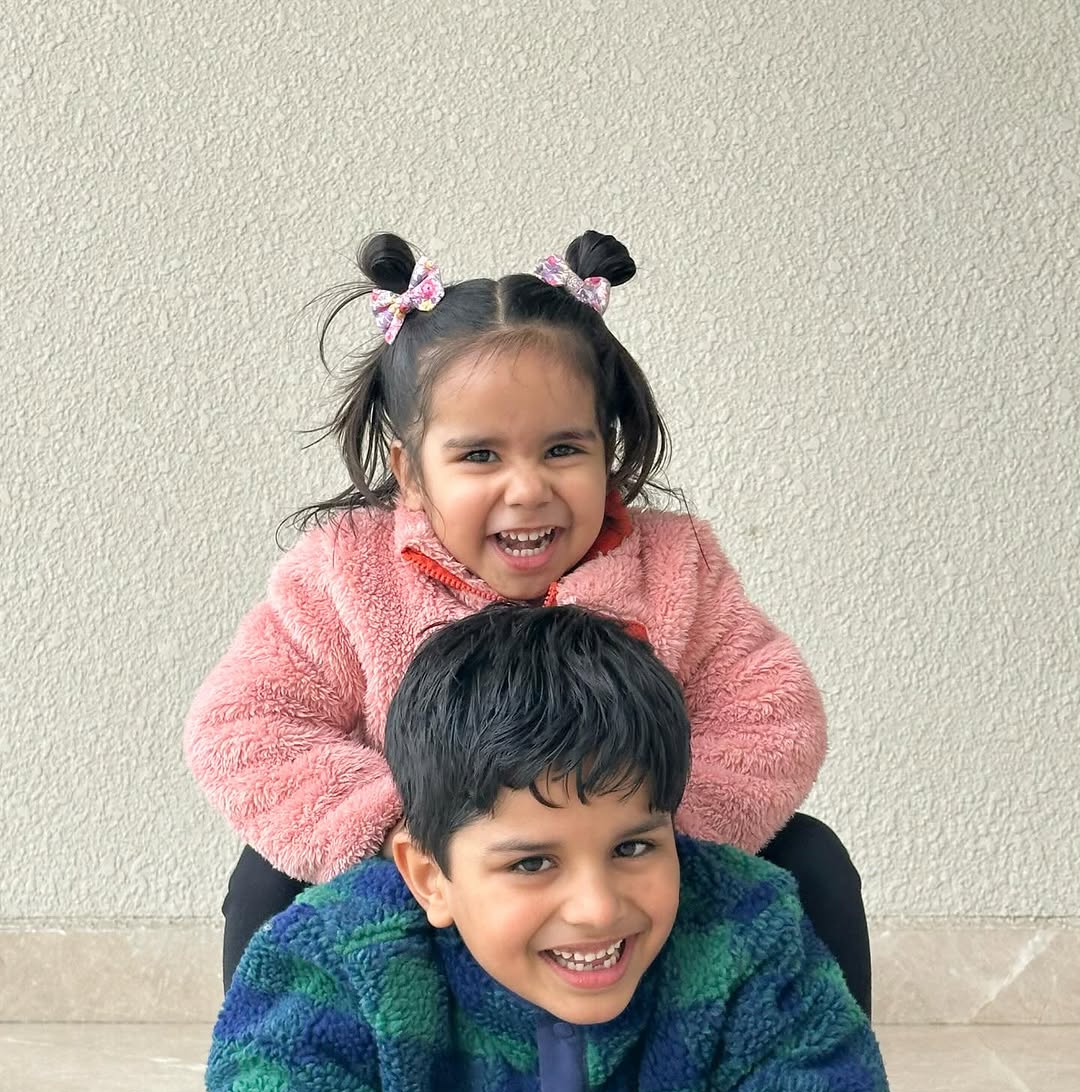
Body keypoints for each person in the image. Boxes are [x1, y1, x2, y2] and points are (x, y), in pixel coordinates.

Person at [175, 605, 932, 1092]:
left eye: (634, 846)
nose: (598, 908)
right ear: (429, 876)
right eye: (533, 862)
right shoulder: (329, 958)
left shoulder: (748, 933)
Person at [183, 230, 871, 1011]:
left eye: (562, 449)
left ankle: (822, 1076)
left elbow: (770, 712)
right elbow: (245, 726)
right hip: (427, 898)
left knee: (812, 859)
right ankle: (275, 1076)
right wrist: (422, 838)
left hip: (613, 904)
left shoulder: (675, 567)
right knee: (264, 879)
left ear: (608, 451)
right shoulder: (345, 574)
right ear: (410, 472)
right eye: (480, 455)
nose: (527, 488)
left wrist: (641, 839)